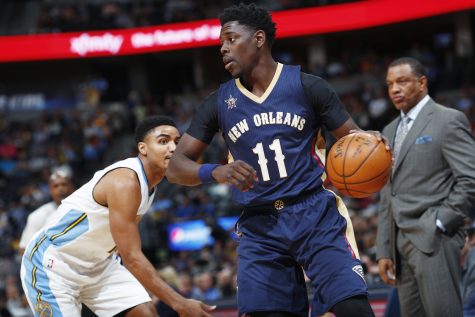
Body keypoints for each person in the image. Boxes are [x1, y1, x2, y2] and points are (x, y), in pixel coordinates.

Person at [166, 3, 377, 317]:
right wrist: (216, 171)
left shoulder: (308, 87)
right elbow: (175, 166)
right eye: (221, 43)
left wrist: (372, 141)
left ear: (259, 39)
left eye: (231, 39)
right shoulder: (219, 103)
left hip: (314, 215)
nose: (223, 48)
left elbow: (355, 140)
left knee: (353, 308)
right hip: (260, 226)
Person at [20, 116, 215, 317]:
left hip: (98, 265)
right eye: (163, 141)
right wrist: (179, 302)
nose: (173, 148)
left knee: (146, 314)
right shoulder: (125, 182)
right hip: (54, 266)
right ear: (143, 148)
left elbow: (188, 175)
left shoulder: (151, 182)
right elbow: (131, 257)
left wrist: (222, 172)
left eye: (177, 141)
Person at [376, 57, 475, 317]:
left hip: (435, 238)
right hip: (399, 245)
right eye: (389, 85)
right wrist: (384, 248)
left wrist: (441, 222)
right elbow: (388, 193)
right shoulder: (389, 129)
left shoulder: (448, 120)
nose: (394, 89)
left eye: (402, 81)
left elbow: (470, 179)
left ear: (422, 83)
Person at [18, 168, 75, 256]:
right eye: (56, 186)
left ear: (71, 186)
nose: (61, 189)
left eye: (64, 184)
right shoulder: (38, 215)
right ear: (50, 190)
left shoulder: (84, 208)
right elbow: (24, 250)